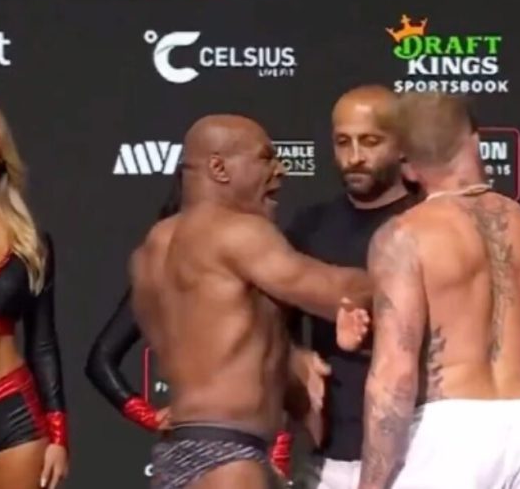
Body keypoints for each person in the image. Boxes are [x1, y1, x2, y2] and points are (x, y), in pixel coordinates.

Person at [130, 114, 372, 489]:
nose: (281, 170)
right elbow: (338, 292)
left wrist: (292, 359)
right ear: (219, 168)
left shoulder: (151, 249)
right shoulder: (238, 231)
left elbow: (217, 342)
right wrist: (412, 268)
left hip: (175, 452)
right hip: (230, 457)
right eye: (265, 158)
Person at [355, 92, 520, 488]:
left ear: (407, 166)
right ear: (475, 141)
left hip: (450, 431)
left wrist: (370, 484)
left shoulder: (404, 236)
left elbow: (395, 375)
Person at [286, 85, 419, 489]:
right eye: (343, 142)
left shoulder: (430, 222)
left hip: (418, 451)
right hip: (330, 455)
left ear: (402, 146)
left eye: (370, 141)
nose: (354, 156)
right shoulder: (310, 226)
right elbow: (276, 320)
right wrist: (294, 355)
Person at [0, 98, 69, 489]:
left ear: (1, 150)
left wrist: (59, 434)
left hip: (13, 412)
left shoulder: (29, 241)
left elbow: (43, 342)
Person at [85, 169, 183, 433]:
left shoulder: (258, 261)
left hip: (251, 436)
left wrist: (279, 447)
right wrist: (147, 416)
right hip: (195, 437)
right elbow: (100, 360)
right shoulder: (165, 268)